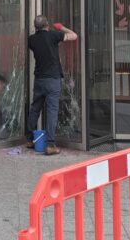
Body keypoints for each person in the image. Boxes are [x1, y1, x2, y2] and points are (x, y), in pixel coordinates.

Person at [26, 15, 78, 156]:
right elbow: (74, 36)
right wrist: (61, 27)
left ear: (35, 26)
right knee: (52, 111)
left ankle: (30, 140)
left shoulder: (31, 40)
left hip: (39, 80)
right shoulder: (53, 35)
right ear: (47, 25)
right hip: (53, 79)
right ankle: (50, 144)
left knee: (35, 108)